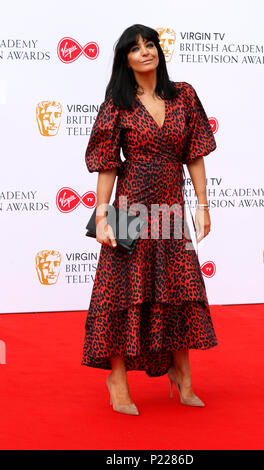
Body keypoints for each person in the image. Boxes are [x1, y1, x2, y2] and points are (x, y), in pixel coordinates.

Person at [81, 24, 218, 416]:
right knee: (121, 292)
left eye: (151, 44)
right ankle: (118, 379)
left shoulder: (183, 96)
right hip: (130, 206)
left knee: (180, 285)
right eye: (135, 48)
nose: (146, 52)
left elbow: (195, 154)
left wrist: (203, 204)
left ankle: (182, 373)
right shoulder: (118, 103)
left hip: (172, 205)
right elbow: (107, 164)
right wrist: (103, 215)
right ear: (124, 58)